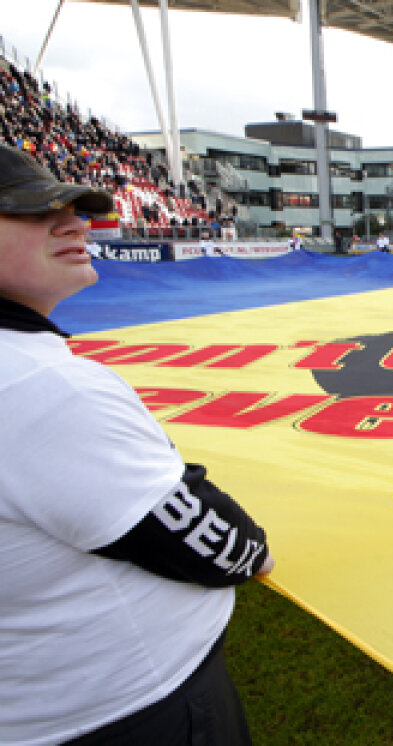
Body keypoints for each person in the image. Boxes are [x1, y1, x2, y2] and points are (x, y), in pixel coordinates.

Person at [0, 143, 273, 745]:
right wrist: (257, 549)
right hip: (133, 711)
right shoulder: (41, 387)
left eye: (72, 210)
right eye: (30, 212)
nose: (74, 223)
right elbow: (218, 547)